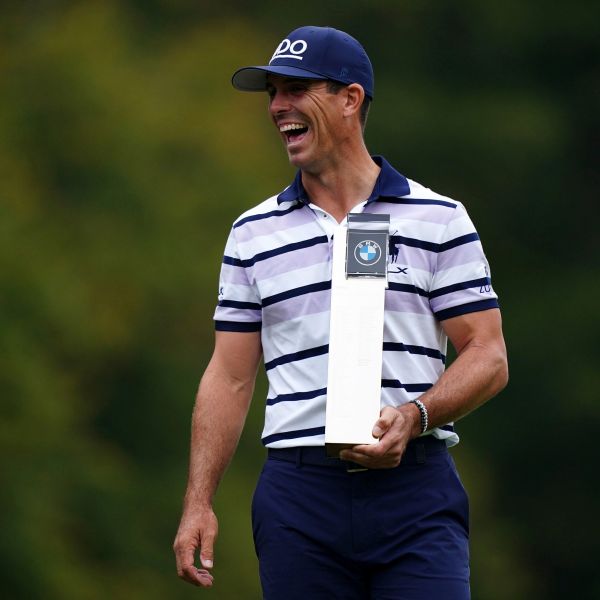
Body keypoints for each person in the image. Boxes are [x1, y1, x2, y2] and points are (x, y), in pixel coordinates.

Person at [173, 25, 508, 599]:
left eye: (297, 89)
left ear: (350, 99)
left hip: (416, 488)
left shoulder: (439, 218)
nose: (279, 106)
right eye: (273, 93)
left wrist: (417, 414)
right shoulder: (253, 232)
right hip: (298, 496)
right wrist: (198, 502)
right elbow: (229, 376)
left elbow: (489, 354)